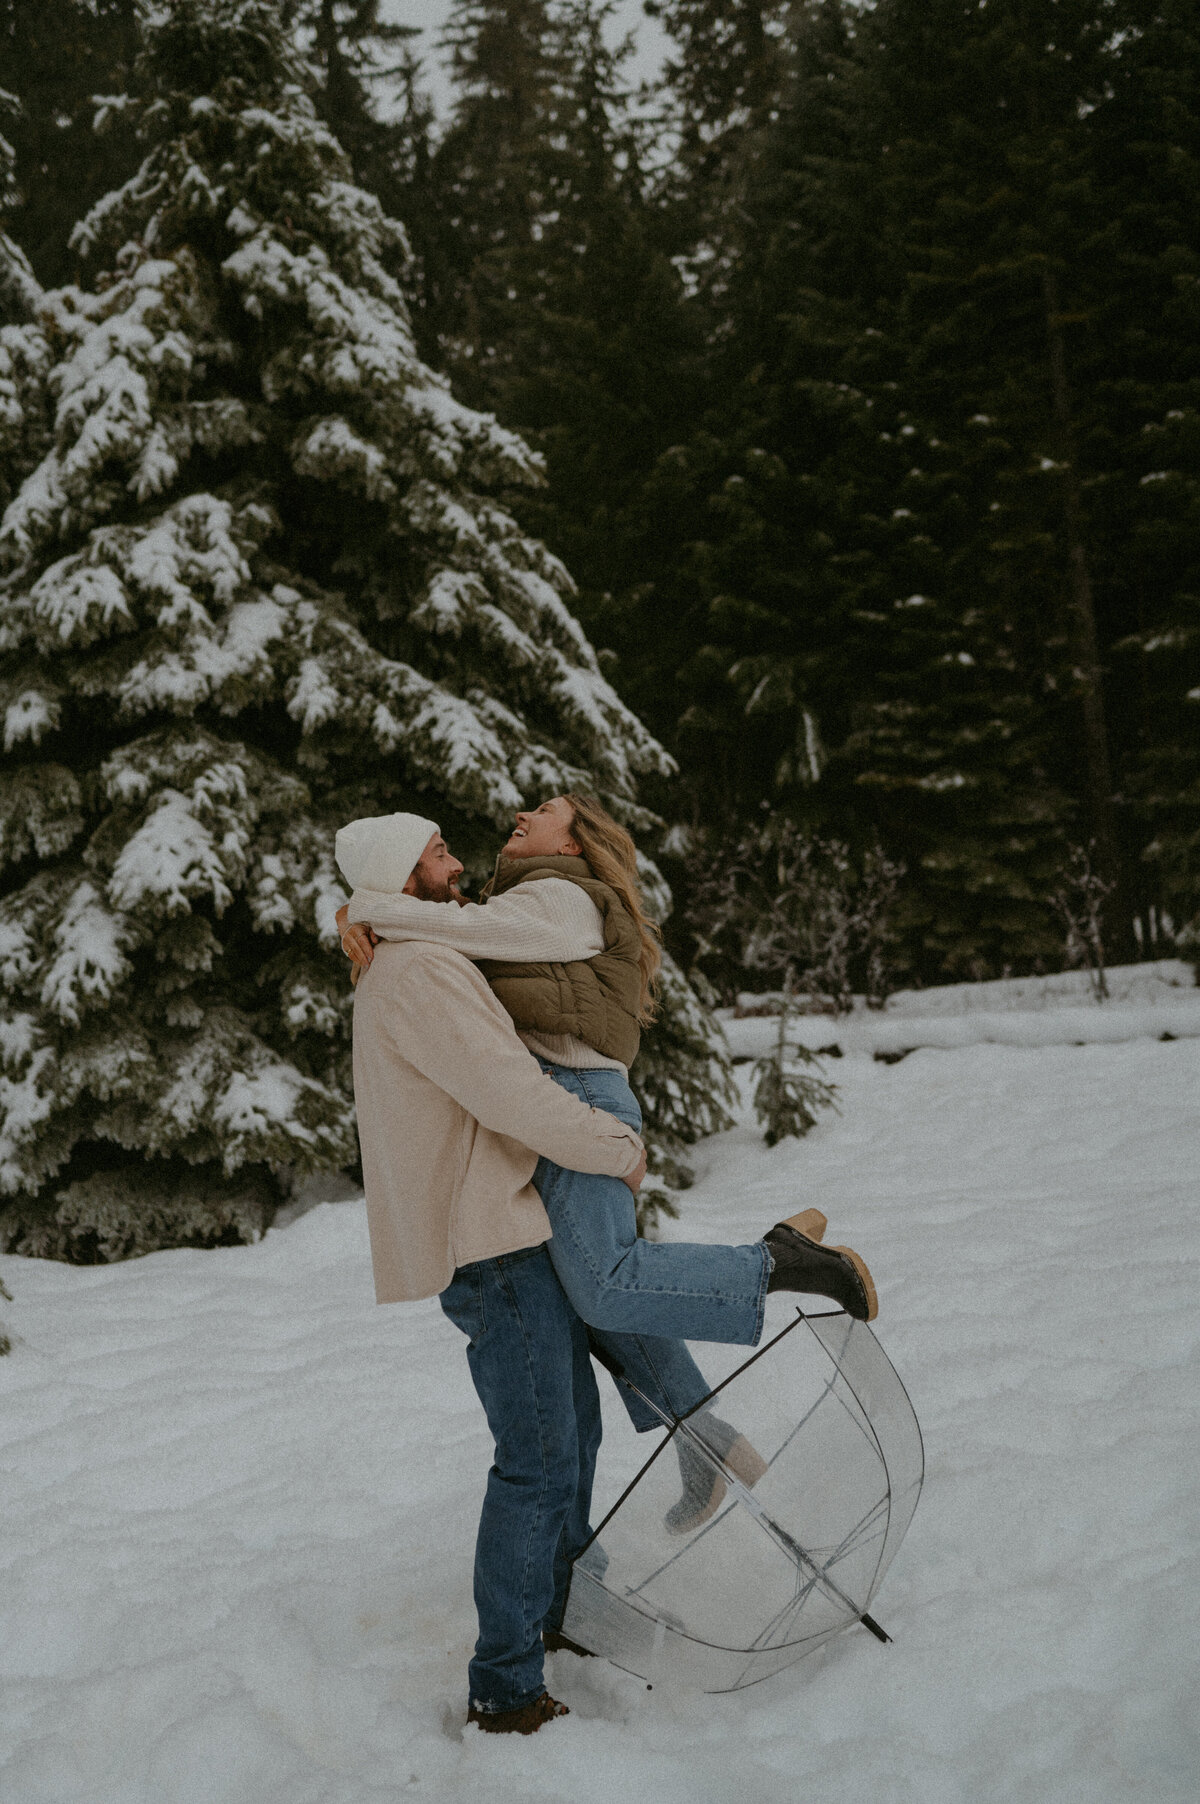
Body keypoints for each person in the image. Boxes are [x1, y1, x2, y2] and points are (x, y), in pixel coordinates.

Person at [336, 800, 879, 1536]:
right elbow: (451, 934)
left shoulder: (567, 897)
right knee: (593, 1298)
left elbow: (459, 929)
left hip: (577, 1097)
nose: (523, 811)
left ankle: (780, 1263)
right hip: (563, 1098)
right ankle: (704, 1441)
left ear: (576, 839)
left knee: (608, 1281)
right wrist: (361, 914)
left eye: (547, 810)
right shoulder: (513, 901)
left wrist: (369, 908)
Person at [342, 809, 647, 1735]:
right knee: (540, 1458)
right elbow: (506, 1088)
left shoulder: (423, 956)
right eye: (438, 854)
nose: (458, 862)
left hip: (507, 1226)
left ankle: (560, 1613)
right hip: (491, 1245)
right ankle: (507, 1687)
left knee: (575, 1435)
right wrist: (611, 1147)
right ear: (402, 873)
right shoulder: (419, 971)